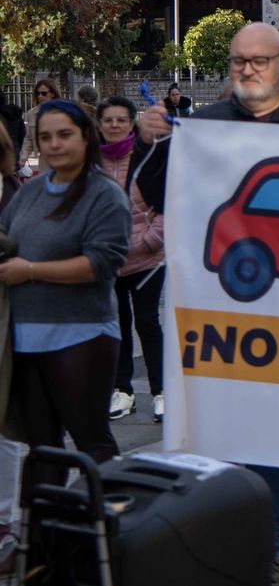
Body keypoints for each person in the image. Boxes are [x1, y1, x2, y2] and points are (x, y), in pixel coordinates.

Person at [135, 22, 279, 586]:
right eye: (237, 62)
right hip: (216, 313)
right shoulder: (202, 128)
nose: (247, 71)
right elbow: (157, 195)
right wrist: (150, 141)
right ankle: (220, 547)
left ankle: (274, 548)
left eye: (258, 61)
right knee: (218, 431)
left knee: (278, 434)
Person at [0, 100, 130, 490]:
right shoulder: (31, 191)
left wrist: (31, 271)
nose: (54, 145)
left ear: (86, 136)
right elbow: (9, 240)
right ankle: (44, 546)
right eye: (45, 137)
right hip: (25, 339)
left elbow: (102, 264)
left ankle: (110, 536)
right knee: (42, 449)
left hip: (82, 337)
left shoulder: (103, 194)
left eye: (64, 135)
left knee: (93, 443)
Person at [96, 98, 166, 425]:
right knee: (117, 326)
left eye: (120, 119)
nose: (114, 125)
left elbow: (166, 200)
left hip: (148, 258)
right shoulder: (90, 161)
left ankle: (161, 392)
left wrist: (151, 241)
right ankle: (122, 390)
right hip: (110, 260)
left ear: (131, 123)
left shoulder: (146, 155)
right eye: (108, 120)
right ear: (98, 124)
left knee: (148, 323)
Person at [20, 78, 61, 164]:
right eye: (38, 93)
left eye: (44, 93)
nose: (40, 96)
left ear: (52, 94)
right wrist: (24, 155)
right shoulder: (31, 113)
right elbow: (28, 138)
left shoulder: (62, 111)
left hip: (61, 156)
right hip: (43, 158)